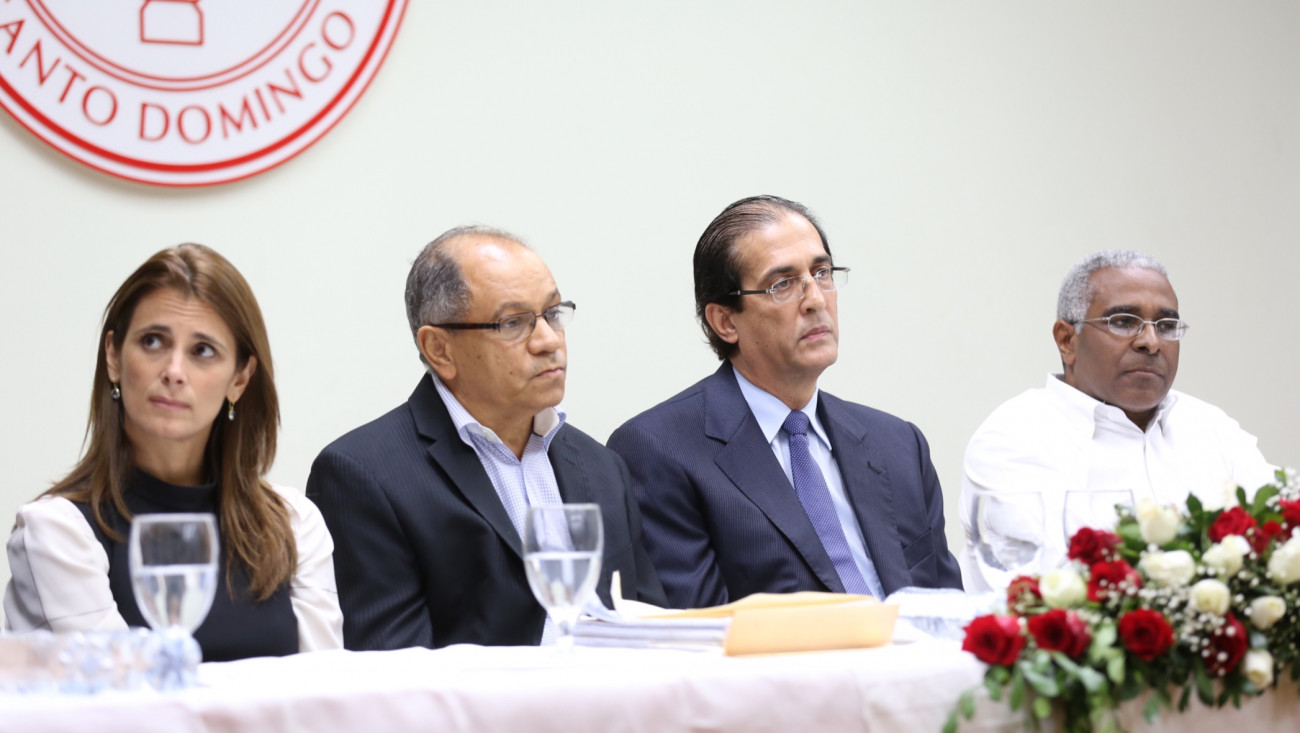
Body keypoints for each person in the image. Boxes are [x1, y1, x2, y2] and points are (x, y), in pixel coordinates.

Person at [307, 226, 665, 651]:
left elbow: (654, 632)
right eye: (513, 323)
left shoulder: (601, 467)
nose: (549, 340)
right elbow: (395, 671)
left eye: (553, 313)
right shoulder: (364, 474)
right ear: (440, 349)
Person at [607, 195, 962, 609]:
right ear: (725, 321)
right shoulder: (660, 450)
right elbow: (704, 630)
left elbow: (949, 611)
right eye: (783, 284)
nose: (816, 300)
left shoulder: (898, 444)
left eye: (822, 273)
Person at [4, 244, 343, 659]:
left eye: (202, 351)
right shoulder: (56, 532)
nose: (174, 372)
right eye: (152, 341)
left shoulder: (294, 524)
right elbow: (122, 695)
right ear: (113, 356)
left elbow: (321, 688)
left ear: (240, 378)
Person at [960, 250, 1276, 591]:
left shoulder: (1212, 428)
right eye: (1124, 322)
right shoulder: (1014, 437)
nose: (1151, 342)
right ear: (1067, 341)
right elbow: (1054, 588)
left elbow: (1280, 539)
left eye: (1166, 326)